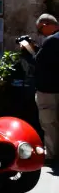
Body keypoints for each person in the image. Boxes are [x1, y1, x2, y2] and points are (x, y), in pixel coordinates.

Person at [34, 13, 59, 163]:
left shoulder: (51, 41)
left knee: (49, 123)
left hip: (48, 90)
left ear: (46, 25)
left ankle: (51, 155)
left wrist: (27, 52)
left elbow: (38, 62)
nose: (40, 33)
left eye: (40, 30)